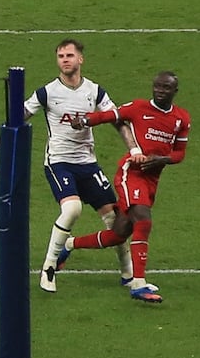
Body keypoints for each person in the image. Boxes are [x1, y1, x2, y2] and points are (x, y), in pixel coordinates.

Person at [0, 38, 138, 293]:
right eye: (61, 56)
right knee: (72, 208)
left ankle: (129, 273)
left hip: (88, 164)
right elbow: (15, 118)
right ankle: (49, 268)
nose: (65, 60)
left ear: (80, 59)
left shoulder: (94, 92)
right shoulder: (47, 92)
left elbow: (117, 120)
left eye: (69, 55)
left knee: (116, 221)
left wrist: (134, 149)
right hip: (59, 162)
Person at [61, 71, 190, 303]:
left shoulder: (181, 118)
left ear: (174, 91)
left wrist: (161, 160)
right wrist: (85, 120)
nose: (160, 91)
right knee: (143, 219)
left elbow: (179, 154)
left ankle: (69, 244)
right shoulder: (139, 107)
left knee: (119, 234)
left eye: (166, 88)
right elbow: (110, 115)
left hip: (152, 179)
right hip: (131, 172)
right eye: (157, 86)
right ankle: (138, 283)